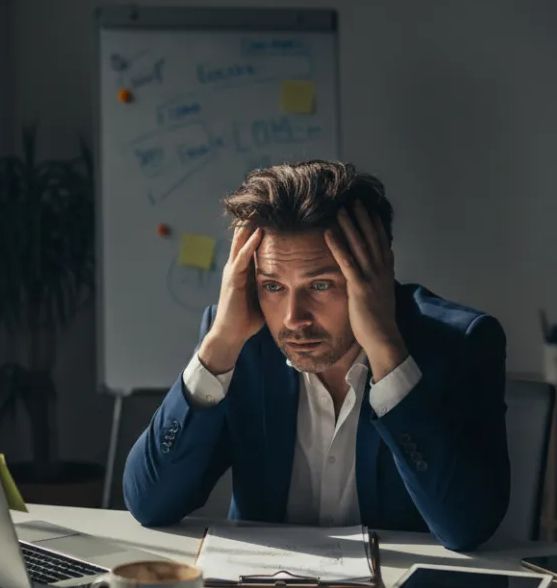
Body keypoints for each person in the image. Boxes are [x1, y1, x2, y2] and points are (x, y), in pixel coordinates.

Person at [122, 161, 509, 551]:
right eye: (273, 286)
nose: (294, 318)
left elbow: (467, 528)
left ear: (376, 272)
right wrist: (219, 343)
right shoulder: (240, 340)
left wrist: (387, 354)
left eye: (320, 284)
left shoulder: (462, 344)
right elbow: (149, 504)